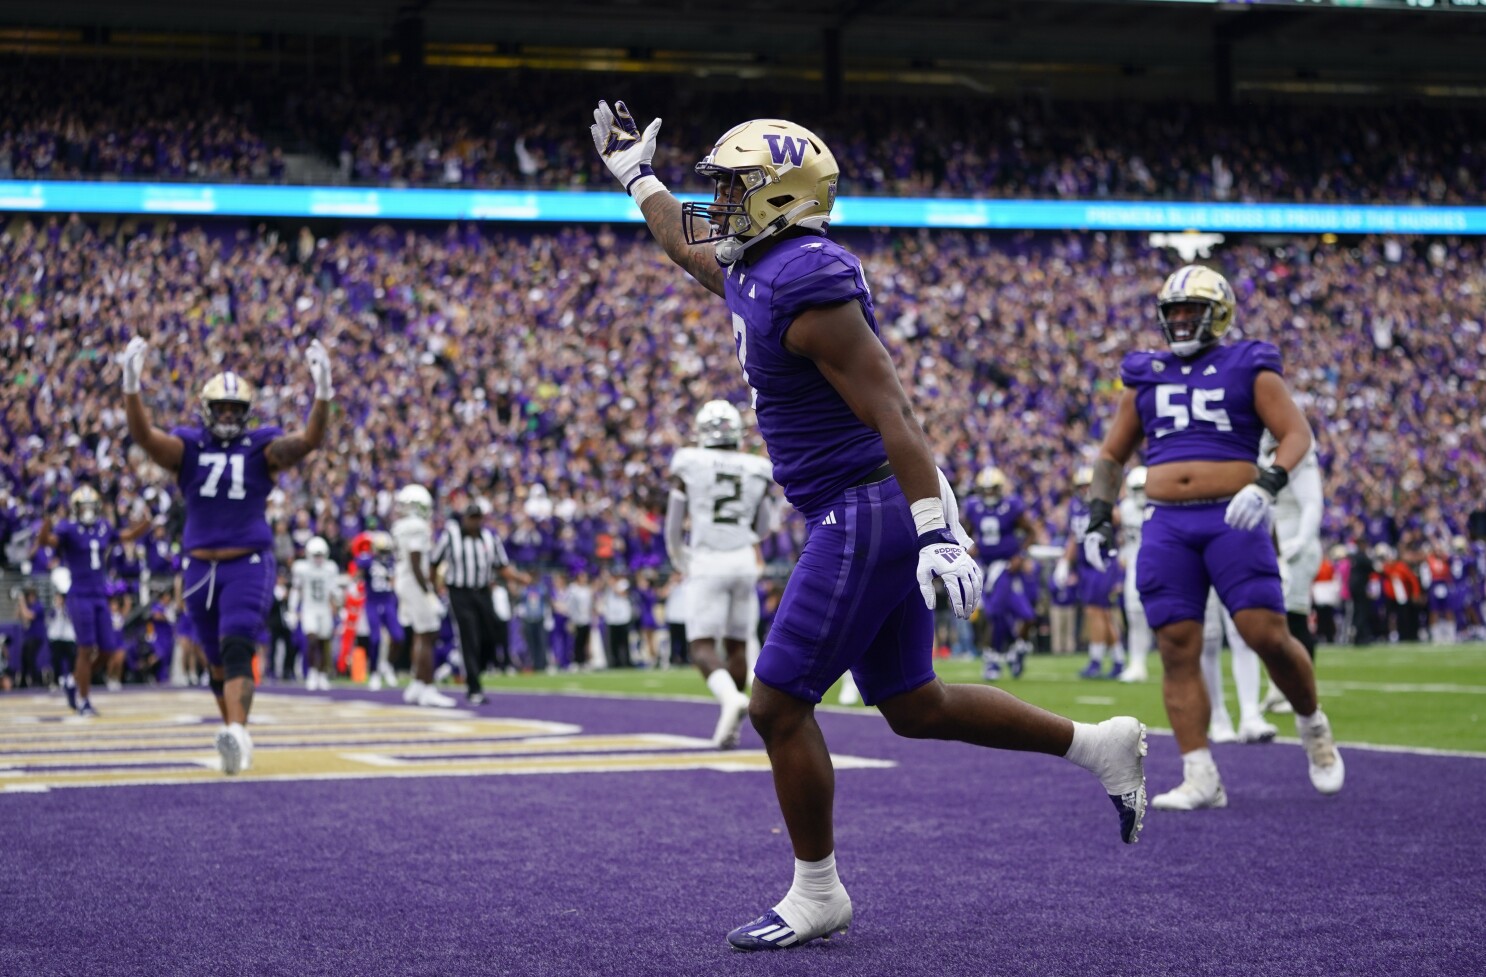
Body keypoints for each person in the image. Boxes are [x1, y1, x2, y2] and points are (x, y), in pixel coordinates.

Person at [592, 98, 1148, 950]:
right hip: (861, 500)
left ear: (783, 197)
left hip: (871, 500)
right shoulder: (760, 267)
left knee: (776, 703)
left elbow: (895, 413)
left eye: (735, 189)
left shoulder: (810, 281)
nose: (720, 204)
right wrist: (636, 174)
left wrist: (935, 529)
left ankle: (817, 891)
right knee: (913, 704)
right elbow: (684, 245)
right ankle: (1098, 746)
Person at [1079, 263, 1343, 811]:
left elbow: (1297, 433)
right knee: (1177, 647)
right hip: (1167, 524)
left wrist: (1268, 485)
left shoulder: (1249, 364)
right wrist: (1099, 515)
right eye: (1171, 310)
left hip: (1235, 517)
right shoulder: (1146, 373)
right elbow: (1111, 455)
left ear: (1217, 314)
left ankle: (1312, 724)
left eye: (1189, 309)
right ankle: (1200, 773)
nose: (1178, 320)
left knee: (1265, 633)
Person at [122, 335, 334, 774]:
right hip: (199, 565)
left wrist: (324, 393)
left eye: (235, 410)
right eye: (221, 408)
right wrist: (130, 387)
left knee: (237, 643)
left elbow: (310, 440)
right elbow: (144, 437)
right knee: (215, 660)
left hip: (247, 561)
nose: (228, 416)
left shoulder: (263, 447)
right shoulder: (188, 447)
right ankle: (234, 738)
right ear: (207, 409)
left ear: (247, 413)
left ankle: (237, 730)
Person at [665, 399, 775, 748]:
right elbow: (763, 527)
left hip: (707, 560)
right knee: (738, 644)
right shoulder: (755, 467)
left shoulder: (689, 461)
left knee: (700, 645)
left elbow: (673, 522)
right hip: (743, 560)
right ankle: (737, 717)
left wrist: (679, 556)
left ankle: (730, 699)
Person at [36, 486, 151, 715]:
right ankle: (84, 700)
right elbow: (45, 541)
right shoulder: (68, 528)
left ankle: (73, 681)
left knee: (108, 649)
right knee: (86, 648)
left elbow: (125, 536)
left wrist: (145, 523)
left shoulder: (103, 527)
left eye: (91, 506)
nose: (88, 511)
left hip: (100, 595)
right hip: (79, 594)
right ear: (76, 509)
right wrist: (46, 521)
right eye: (84, 506)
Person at [433, 501, 531, 703]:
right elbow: (434, 562)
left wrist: (519, 578)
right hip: (460, 593)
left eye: (478, 518)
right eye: (472, 518)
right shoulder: (451, 536)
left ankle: (479, 669)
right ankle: (474, 687)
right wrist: (434, 587)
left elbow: (501, 566)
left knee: (492, 633)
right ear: (465, 519)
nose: (475, 522)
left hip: (483, 592)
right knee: (469, 637)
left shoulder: (489, 538)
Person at [961, 466, 1044, 681]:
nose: (988, 494)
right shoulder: (973, 507)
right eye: (985, 490)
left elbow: (1032, 532)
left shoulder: (1011, 506)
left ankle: (1012, 651)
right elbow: (965, 534)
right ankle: (994, 657)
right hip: (986, 568)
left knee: (1022, 616)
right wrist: (968, 549)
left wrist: (1021, 555)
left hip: (1007, 567)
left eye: (992, 489)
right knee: (997, 613)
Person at [390, 485, 457, 708]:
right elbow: (417, 561)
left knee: (420, 634)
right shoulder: (417, 526)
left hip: (404, 581)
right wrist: (428, 591)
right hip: (414, 582)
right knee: (428, 633)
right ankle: (428, 688)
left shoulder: (400, 526)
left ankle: (417, 683)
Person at [1059, 467, 1126, 679]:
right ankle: (1118, 659)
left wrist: (1102, 502)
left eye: (1089, 485)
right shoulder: (1074, 506)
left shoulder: (1102, 501)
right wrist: (1064, 562)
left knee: (1095, 611)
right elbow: (1073, 537)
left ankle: (1096, 660)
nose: (1085, 489)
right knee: (1102, 613)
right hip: (1085, 564)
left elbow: (1117, 519)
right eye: (1082, 486)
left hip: (1103, 561)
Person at [290, 535, 344, 690]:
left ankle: (322, 673)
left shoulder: (330, 568)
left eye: (321, 555)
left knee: (324, 642)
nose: (319, 559)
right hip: (309, 608)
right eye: (316, 555)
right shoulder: (302, 568)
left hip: (324, 609)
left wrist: (339, 607)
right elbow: (296, 589)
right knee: (312, 639)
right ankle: (313, 672)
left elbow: (334, 589)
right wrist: (293, 610)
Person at [1117, 467, 1152, 682]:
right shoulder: (1125, 508)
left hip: (1158, 564)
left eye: (1144, 489)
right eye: (1137, 489)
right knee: (1134, 615)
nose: (1141, 494)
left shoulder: (1159, 505)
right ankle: (1137, 663)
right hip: (1134, 565)